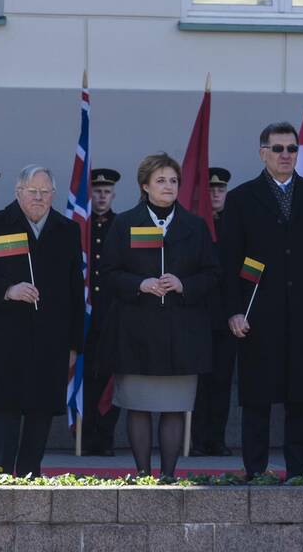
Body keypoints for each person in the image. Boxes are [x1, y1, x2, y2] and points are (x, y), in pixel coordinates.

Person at [222, 122, 303, 480]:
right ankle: (256, 471)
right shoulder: (242, 198)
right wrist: (233, 310)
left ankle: (300, 472)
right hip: (258, 314)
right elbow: (230, 260)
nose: (286, 155)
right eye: (278, 149)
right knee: (257, 399)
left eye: (292, 148)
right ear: (263, 153)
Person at [99, 154, 220, 477]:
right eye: (161, 180)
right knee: (137, 407)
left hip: (182, 333)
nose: (168, 186)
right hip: (136, 331)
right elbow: (107, 273)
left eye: (173, 180)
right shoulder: (124, 223)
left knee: (173, 409)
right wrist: (140, 283)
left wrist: (184, 284)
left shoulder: (195, 226)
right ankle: (142, 475)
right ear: (145, 185)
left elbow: (212, 274)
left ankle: (167, 476)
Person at [0, 165, 85, 476]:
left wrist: (75, 343)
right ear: (19, 192)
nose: (39, 198)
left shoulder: (67, 230)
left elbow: (74, 290)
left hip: (50, 341)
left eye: (45, 192)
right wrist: (8, 290)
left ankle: (31, 481)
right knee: (4, 415)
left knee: (40, 413)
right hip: (7, 341)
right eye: (33, 191)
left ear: (53, 195)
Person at [191, 167, 237, 457]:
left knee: (221, 382)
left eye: (221, 190)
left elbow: (249, 264)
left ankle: (216, 439)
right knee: (199, 384)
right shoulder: (195, 227)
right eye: (211, 190)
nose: (216, 194)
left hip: (228, 316)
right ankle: (195, 440)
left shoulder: (234, 224)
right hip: (197, 316)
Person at [81, 168, 121, 456]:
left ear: (113, 195)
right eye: (97, 191)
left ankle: (105, 438)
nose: (102, 196)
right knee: (87, 379)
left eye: (107, 192)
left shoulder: (122, 226)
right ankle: (85, 436)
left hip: (113, 316)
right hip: (85, 315)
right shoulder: (80, 226)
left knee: (110, 380)